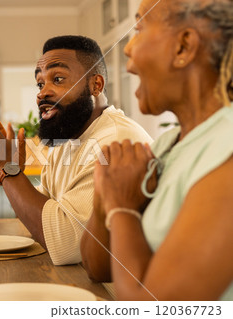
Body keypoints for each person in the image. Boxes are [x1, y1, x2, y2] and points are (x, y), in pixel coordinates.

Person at [81, 0, 233, 300]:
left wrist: (121, 207)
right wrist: (106, 196)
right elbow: (98, 268)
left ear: (183, 47)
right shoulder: (166, 144)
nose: (126, 48)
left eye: (139, 28)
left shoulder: (225, 149)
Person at [0, 35, 152, 265]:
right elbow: (42, 210)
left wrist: (6, 171)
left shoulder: (116, 141)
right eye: (40, 84)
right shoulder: (68, 140)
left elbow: (65, 244)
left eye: (57, 79)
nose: (42, 93)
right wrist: (9, 170)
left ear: (96, 85)